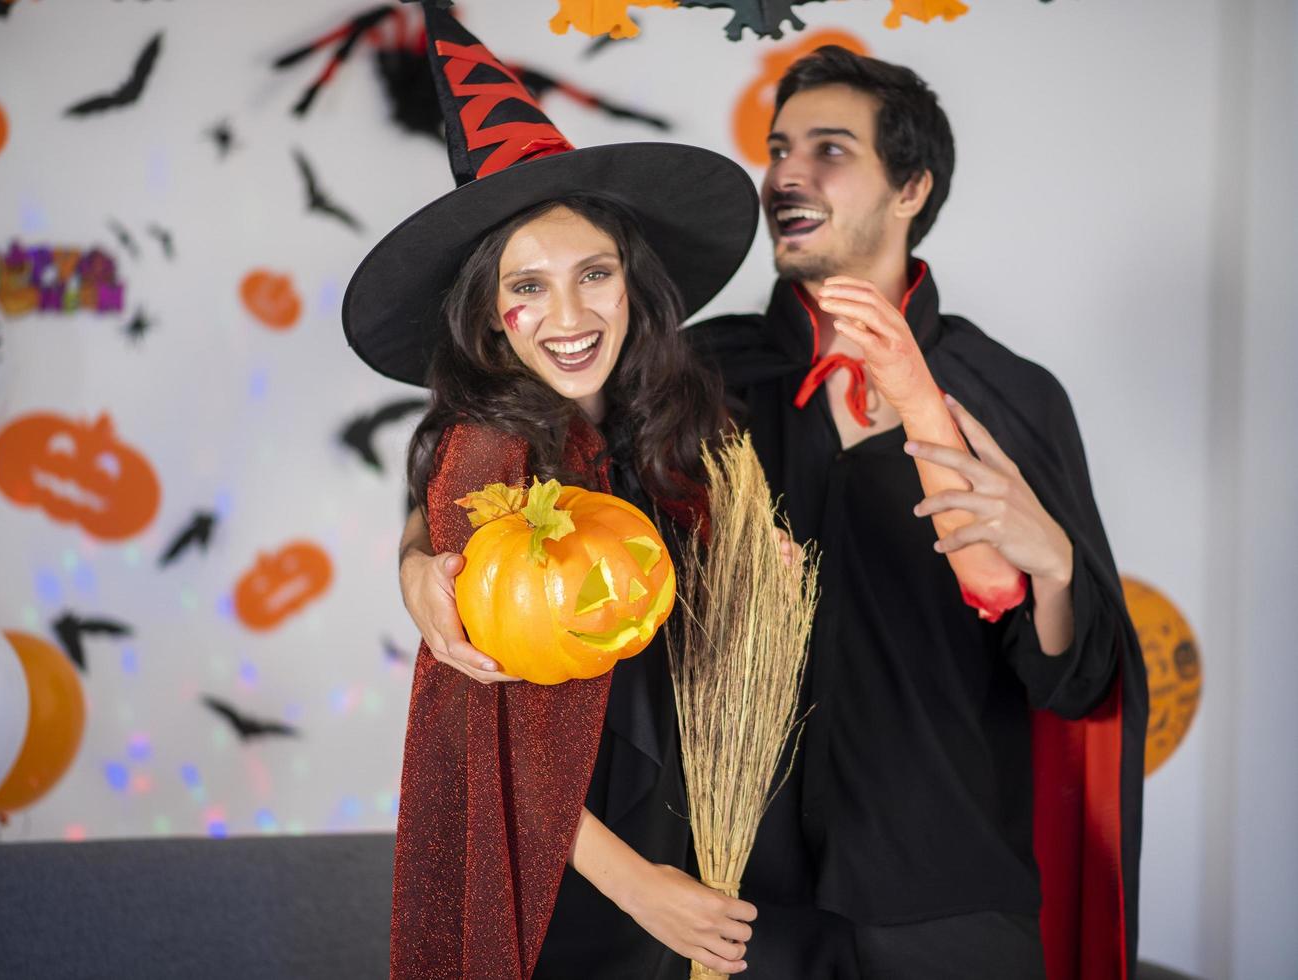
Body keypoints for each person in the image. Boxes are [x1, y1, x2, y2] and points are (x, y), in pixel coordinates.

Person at [401, 44, 1147, 980]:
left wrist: (1057, 569)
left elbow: (1074, 686)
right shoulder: (694, 382)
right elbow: (522, 467)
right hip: (742, 894)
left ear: (910, 187)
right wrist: (416, 553)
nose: (787, 174)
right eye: (778, 148)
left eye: (828, 150)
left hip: (948, 889)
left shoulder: (1008, 397)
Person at [346, 8, 767, 978]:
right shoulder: (490, 443)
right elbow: (487, 745)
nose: (569, 316)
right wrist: (642, 888)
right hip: (571, 892)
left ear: (633, 282)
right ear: (487, 319)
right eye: (526, 285)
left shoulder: (649, 419)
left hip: (679, 843)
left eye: (593, 273)